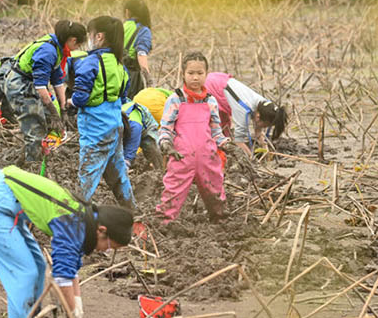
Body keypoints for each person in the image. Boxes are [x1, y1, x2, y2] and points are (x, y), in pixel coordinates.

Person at [0, 165, 133, 318]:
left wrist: (77, 304)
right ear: (102, 230)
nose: (106, 251)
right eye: (110, 246)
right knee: (25, 271)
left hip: (4, 199)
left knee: (39, 266)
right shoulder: (70, 223)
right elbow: (62, 278)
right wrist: (73, 316)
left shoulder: (84, 220)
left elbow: (71, 269)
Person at [67, 16, 134, 207]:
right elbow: (122, 97)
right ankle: (131, 212)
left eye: (89, 35)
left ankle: (75, 216)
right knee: (119, 175)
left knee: (87, 177)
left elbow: (80, 97)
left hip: (96, 130)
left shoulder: (90, 62)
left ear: (99, 37)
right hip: (115, 126)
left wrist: (71, 101)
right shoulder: (120, 65)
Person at [3, 20, 87, 166]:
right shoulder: (48, 51)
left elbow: (57, 80)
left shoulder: (58, 49)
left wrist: (63, 108)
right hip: (20, 85)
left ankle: (33, 156)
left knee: (49, 123)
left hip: (30, 84)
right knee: (35, 128)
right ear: (73, 40)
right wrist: (53, 111)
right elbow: (41, 86)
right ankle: (32, 166)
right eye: (78, 45)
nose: (77, 48)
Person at [157, 52, 228, 224]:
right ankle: (164, 223)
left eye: (200, 73)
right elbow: (165, 128)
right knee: (173, 191)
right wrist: (165, 143)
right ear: (183, 74)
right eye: (191, 73)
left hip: (208, 158)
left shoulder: (210, 101)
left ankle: (220, 221)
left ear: (206, 74)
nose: (195, 77)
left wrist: (226, 144)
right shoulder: (176, 99)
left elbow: (216, 131)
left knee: (215, 190)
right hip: (181, 156)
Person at [205, 72, 288, 157]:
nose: (264, 128)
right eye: (265, 125)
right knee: (214, 126)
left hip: (220, 81)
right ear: (258, 117)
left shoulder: (265, 105)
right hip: (212, 86)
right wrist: (251, 158)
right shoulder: (243, 112)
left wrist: (264, 146)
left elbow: (258, 130)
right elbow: (239, 142)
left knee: (225, 129)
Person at [122, 0, 153, 97]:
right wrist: (148, 79)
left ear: (127, 12)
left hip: (115, 73)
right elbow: (141, 54)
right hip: (131, 77)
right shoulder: (143, 30)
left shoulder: (120, 26)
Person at [121, 100, 162, 171]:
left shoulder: (135, 126)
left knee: (151, 146)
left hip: (146, 126)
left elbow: (131, 149)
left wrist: (126, 163)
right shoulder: (111, 121)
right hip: (128, 119)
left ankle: (160, 170)